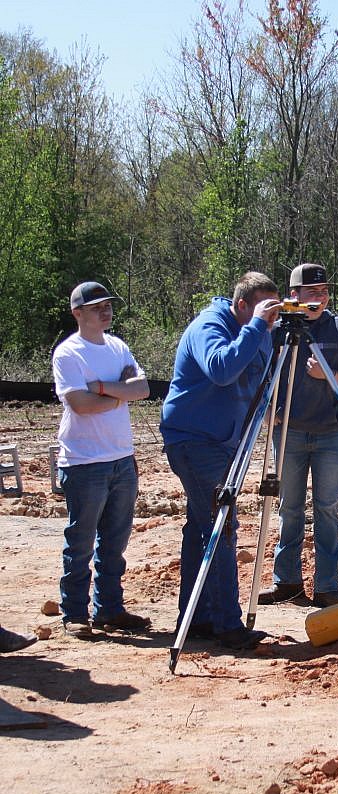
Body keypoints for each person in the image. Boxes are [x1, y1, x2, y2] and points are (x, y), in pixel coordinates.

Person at [160, 272, 281, 649]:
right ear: (242, 305)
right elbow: (223, 370)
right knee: (222, 525)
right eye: (264, 309)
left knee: (203, 526)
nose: (271, 318)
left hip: (225, 442)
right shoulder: (208, 326)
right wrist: (258, 327)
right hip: (195, 440)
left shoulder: (260, 331)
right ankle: (227, 624)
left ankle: (198, 618)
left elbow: (264, 381)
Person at [258, 263, 338, 609]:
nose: (319, 299)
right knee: (288, 509)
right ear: (294, 296)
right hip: (289, 435)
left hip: (331, 437)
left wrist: (331, 375)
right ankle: (287, 584)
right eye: (312, 293)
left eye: (324, 292)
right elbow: (258, 375)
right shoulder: (276, 331)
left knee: (326, 510)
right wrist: (268, 411)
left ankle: (326, 587)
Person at [52, 281, 151, 639]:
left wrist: (101, 387)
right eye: (96, 308)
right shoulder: (68, 353)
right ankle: (74, 612)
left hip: (121, 458)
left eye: (107, 305)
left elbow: (142, 389)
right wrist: (119, 394)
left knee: (115, 542)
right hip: (84, 462)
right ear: (78, 313)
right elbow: (80, 405)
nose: (105, 311)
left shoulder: (118, 346)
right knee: (80, 540)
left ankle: (109, 608)